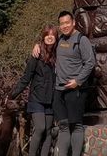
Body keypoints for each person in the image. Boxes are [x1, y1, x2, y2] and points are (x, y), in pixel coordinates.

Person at [41, 10, 96, 156]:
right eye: (61, 24)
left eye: (67, 23)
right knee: (64, 126)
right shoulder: (60, 39)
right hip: (59, 90)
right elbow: (47, 41)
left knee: (76, 125)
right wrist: (36, 45)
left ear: (73, 23)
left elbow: (90, 63)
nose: (64, 26)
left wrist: (78, 81)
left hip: (75, 89)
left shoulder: (81, 39)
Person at [10, 25, 58, 156]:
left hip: (51, 98)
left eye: (52, 34)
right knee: (40, 128)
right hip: (37, 98)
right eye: (47, 34)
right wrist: (12, 94)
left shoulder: (58, 54)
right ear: (43, 37)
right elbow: (26, 78)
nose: (49, 37)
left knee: (48, 131)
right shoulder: (36, 55)